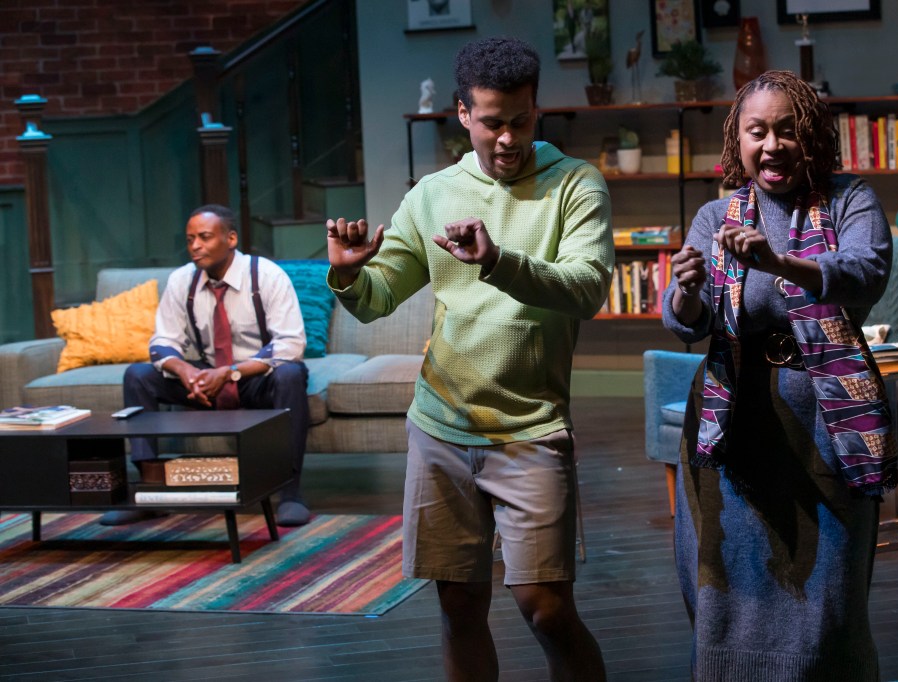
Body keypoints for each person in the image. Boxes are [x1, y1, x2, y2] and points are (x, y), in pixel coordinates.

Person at [326, 37, 612, 682]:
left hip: (532, 429)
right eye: (491, 122)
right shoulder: (433, 193)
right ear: (462, 114)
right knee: (458, 608)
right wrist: (347, 275)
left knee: (546, 610)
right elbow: (376, 297)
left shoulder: (575, 184)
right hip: (441, 428)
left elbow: (587, 289)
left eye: (521, 120)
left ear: (537, 111)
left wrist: (498, 262)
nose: (507, 138)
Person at [663, 70, 896, 679]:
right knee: (725, 589)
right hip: (731, 419)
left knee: (828, 594)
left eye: (788, 131)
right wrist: (686, 290)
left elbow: (865, 271)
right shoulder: (716, 215)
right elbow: (689, 321)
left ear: (812, 135)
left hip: (828, 418)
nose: (772, 145)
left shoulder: (849, 200)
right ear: (737, 140)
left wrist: (779, 262)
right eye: (757, 131)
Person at [101, 204, 312, 527]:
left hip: (253, 378)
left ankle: (291, 494)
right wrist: (185, 372)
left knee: (291, 375)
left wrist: (229, 373)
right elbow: (163, 342)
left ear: (231, 238)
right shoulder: (182, 280)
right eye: (190, 240)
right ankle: (150, 490)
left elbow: (290, 343)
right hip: (206, 377)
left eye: (204, 237)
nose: (195, 246)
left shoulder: (266, 276)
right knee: (138, 375)